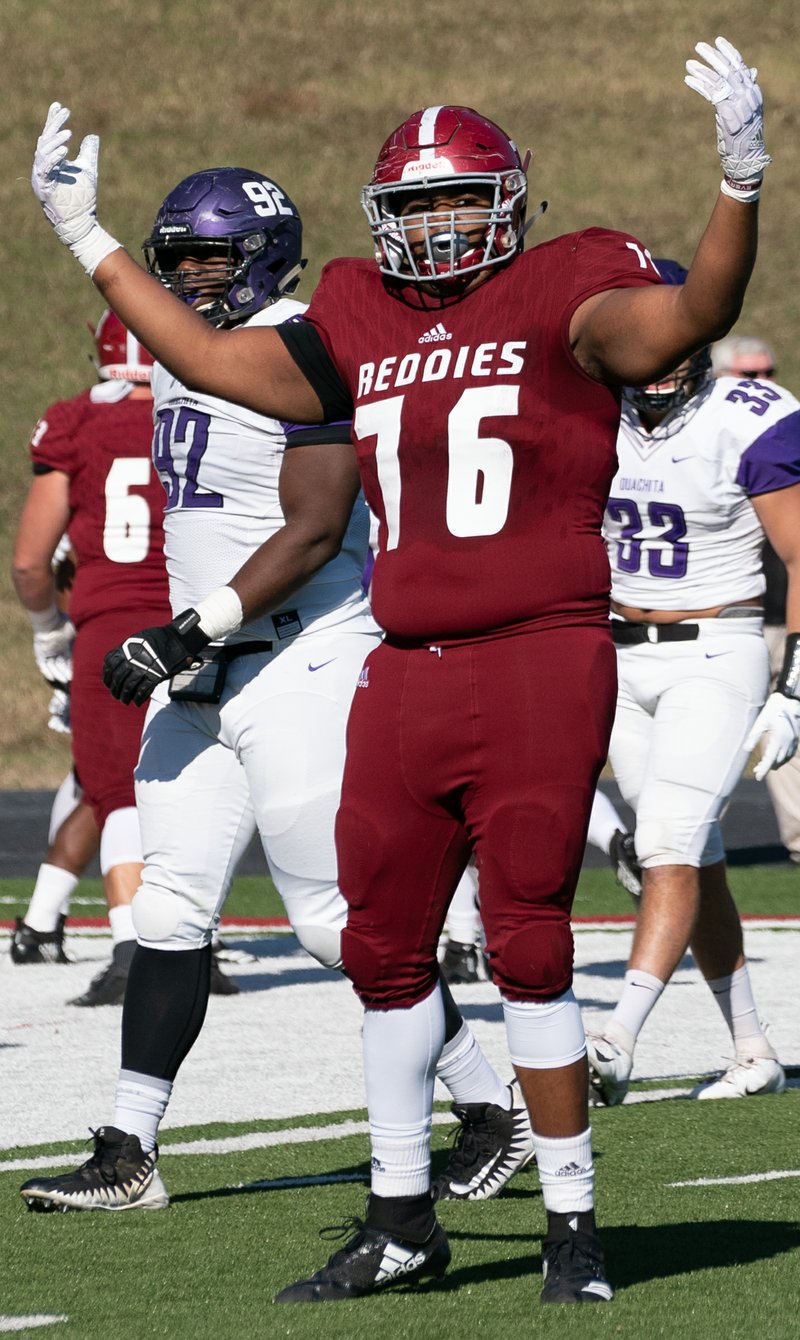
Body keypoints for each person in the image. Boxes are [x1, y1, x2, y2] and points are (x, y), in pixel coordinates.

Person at [28, 36, 775, 1307]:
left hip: (533, 649)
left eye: (453, 198)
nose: (434, 225)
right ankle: (394, 1215)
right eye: (414, 202)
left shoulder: (566, 278)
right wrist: (86, 236)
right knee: (375, 941)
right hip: (405, 662)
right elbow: (214, 362)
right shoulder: (358, 307)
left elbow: (687, 317)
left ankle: (569, 1225)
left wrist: (738, 185)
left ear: (505, 200)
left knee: (529, 942)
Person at [19, 166, 535, 1217]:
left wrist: (186, 627)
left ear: (260, 258)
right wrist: (82, 231)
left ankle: (492, 1105)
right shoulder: (182, 355)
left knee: (329, 921)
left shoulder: (314, 343)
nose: (191, 280)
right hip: (203, 668)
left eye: (210, 259)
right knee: (164, 911)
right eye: (177, 262)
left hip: (301, 655)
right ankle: (132, 1147)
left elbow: (309, 526)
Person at [585, 259, 796, 1107]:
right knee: (696, 857)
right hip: (618, 652)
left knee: (668, 842)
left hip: (717, 649)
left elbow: (799, 552)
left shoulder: (751, 416)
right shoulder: (588, 410)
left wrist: (795, 688)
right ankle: (752, 1049)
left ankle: (616, 1035)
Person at [10, 313, 206, 1004]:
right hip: (202, 622)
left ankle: (133, 949)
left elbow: (32, 560)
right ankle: (192, 939)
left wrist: (46, 631)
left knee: (118, 792)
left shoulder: (77, 422)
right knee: (205, 780)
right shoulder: (211, 406)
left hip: (113, 627)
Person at [711, 335, 800, 862]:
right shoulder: (699, 435)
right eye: (749, 375)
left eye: (768, 371)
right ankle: (685, 839)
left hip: (782, 608)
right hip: (722, 612)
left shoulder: (786, 429)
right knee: (707, 729)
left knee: (790, 723)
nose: (762, 383)